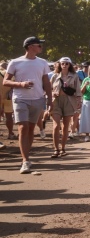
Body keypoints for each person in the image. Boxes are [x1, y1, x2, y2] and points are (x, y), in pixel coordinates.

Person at [3, 37, 52, 174]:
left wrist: (50, 99)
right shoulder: (15, 62)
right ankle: (25, 161)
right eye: (39, 45)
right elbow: (5, 82)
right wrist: (20, 84)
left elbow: (46, 83)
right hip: (20, 99)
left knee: (31, 128)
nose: (41, 48)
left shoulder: (42, 63)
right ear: (30, 47)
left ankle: (26, 156)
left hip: (37, 99)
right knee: (23, 127)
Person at [49, 57, 82, 158]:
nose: (64, 65)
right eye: (62, 63)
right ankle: (56, 149)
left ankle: (63, 148)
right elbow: (48, 89)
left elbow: (78, 90)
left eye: (67, 64)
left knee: (65, 126)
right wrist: (52, 93)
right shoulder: (54, 76)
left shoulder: (74, 76)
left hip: (69, 101)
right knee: (56, 125)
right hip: (56, 101)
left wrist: (79, 101)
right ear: (59, 64)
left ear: (70, 65)